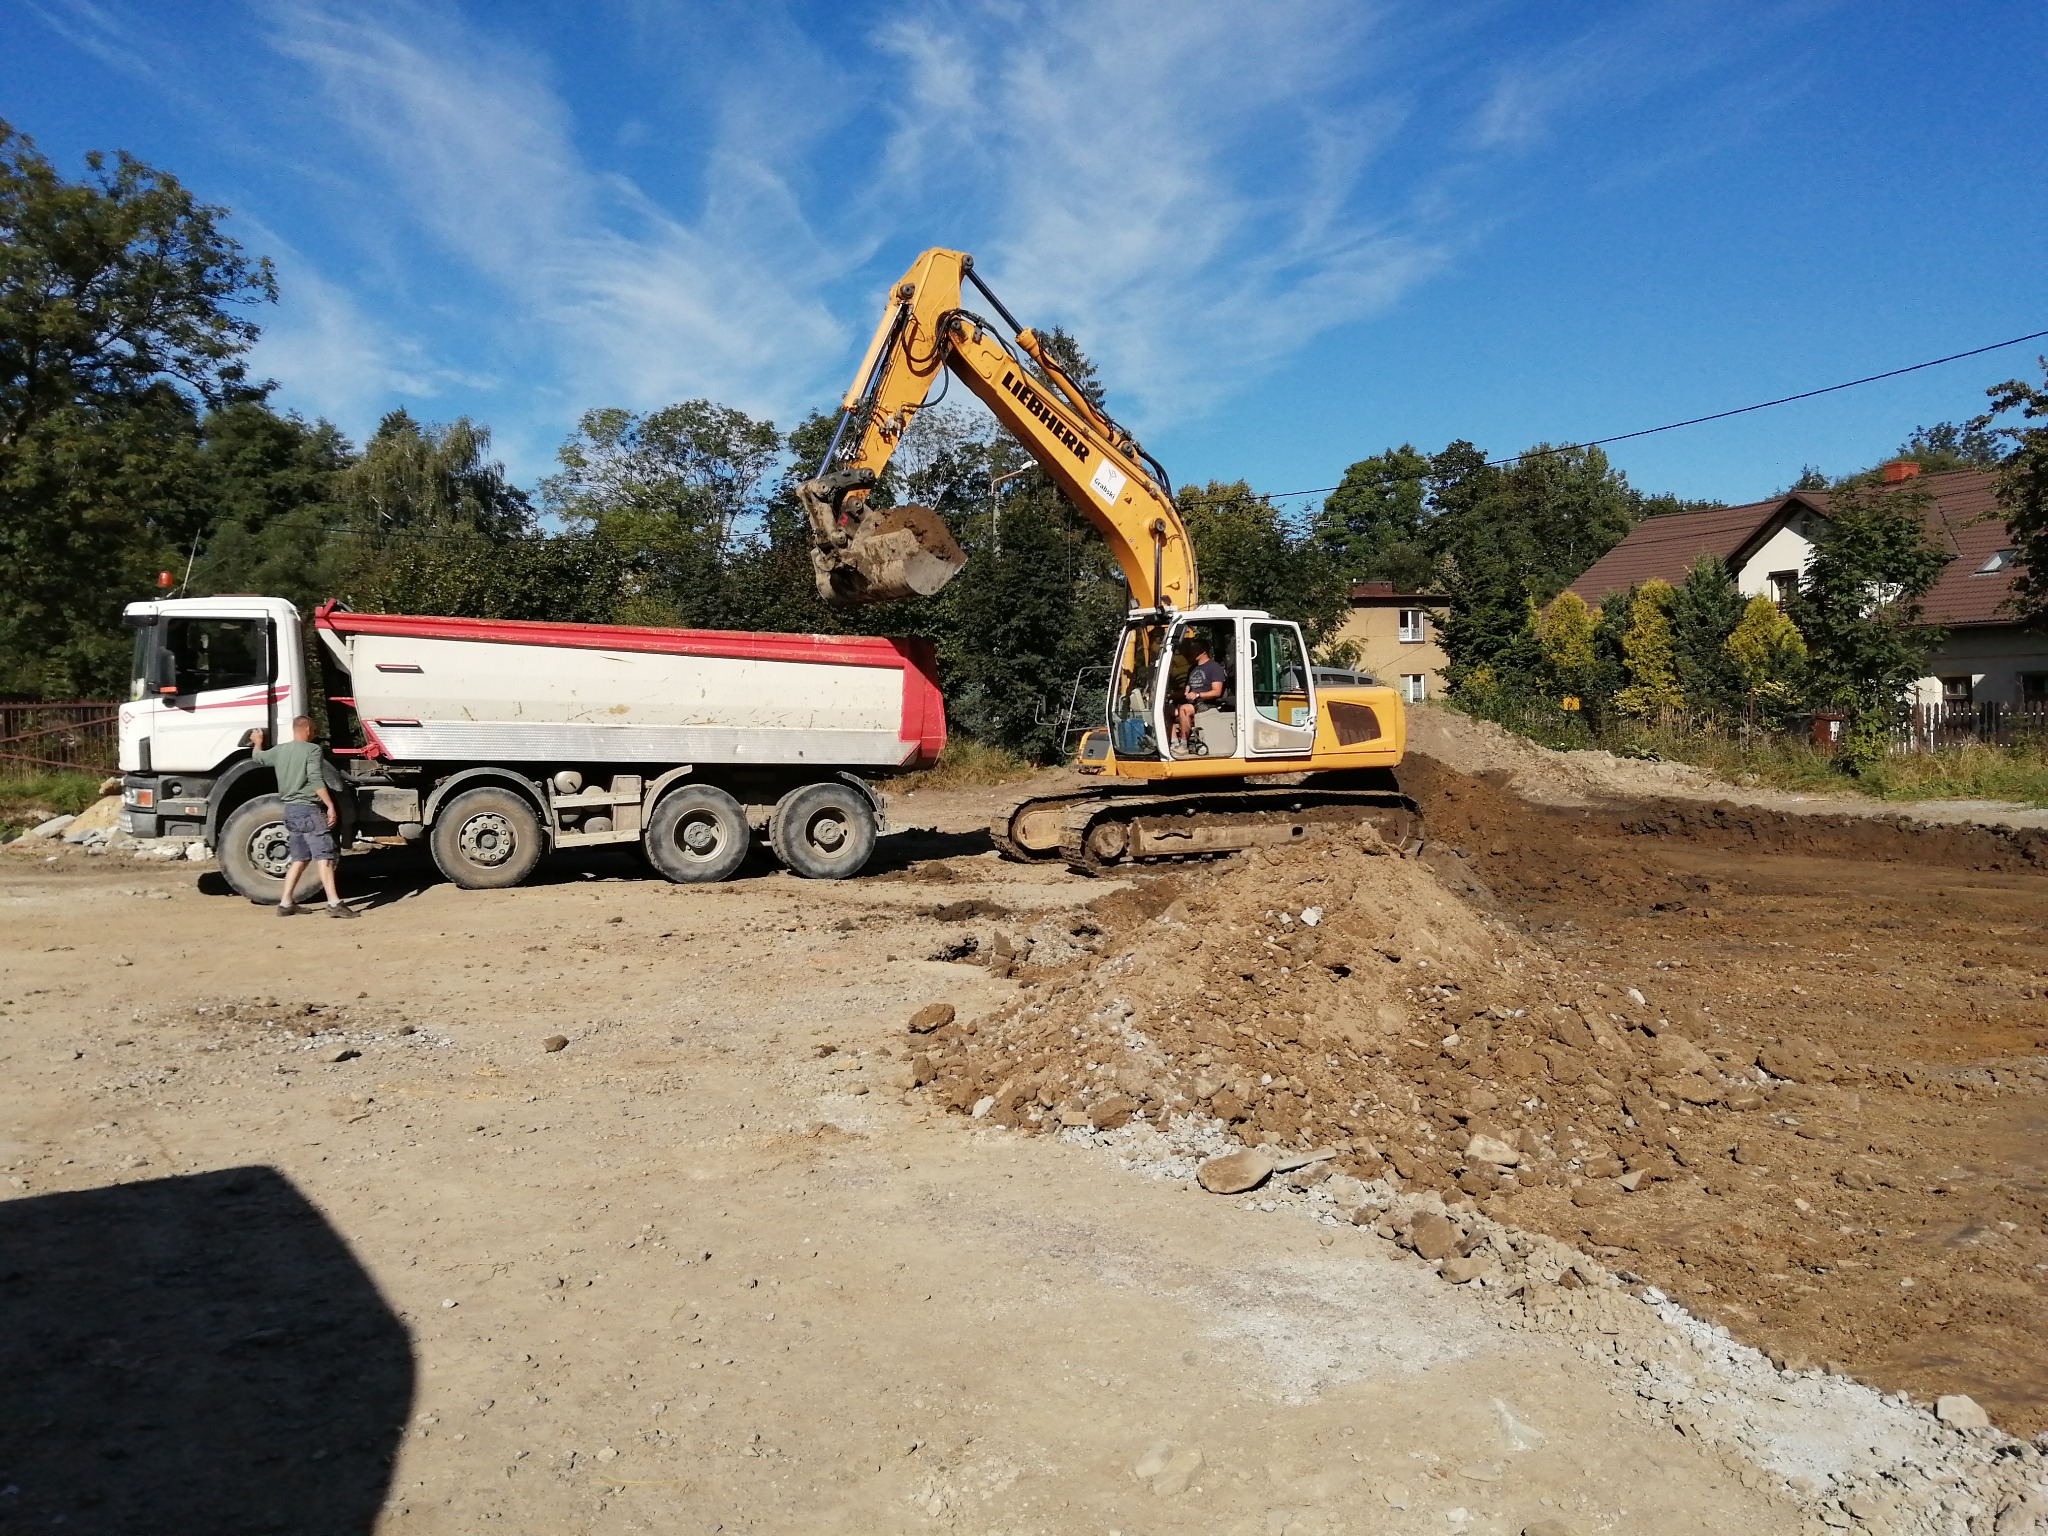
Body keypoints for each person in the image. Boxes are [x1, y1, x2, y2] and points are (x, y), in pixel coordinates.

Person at [248, 716, 356, 918]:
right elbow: (315, 779)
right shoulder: (312, 750)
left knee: (300, 858)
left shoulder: (281, 750)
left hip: (290, 811)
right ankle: (334, 903)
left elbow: (258, 758)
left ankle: (286, 903)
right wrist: (330, 805)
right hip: (308, 809)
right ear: (306, 729)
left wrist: (257, 742)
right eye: (313, 730)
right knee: (325, 856)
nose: (313, 733)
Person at [1175, 638, 1228, 750]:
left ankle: (1183, 744)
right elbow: (1187, 688)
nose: (1191, 652)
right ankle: (1173, 741)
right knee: (1166, 710)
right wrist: (1173, 695)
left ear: (1204, 651)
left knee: (1184, 710)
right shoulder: (1192, 668)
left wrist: (1198, 695)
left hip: (1207, 704)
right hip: (1191, 702)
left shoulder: (1214, 667)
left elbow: (1217, 692)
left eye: (1194, 649)